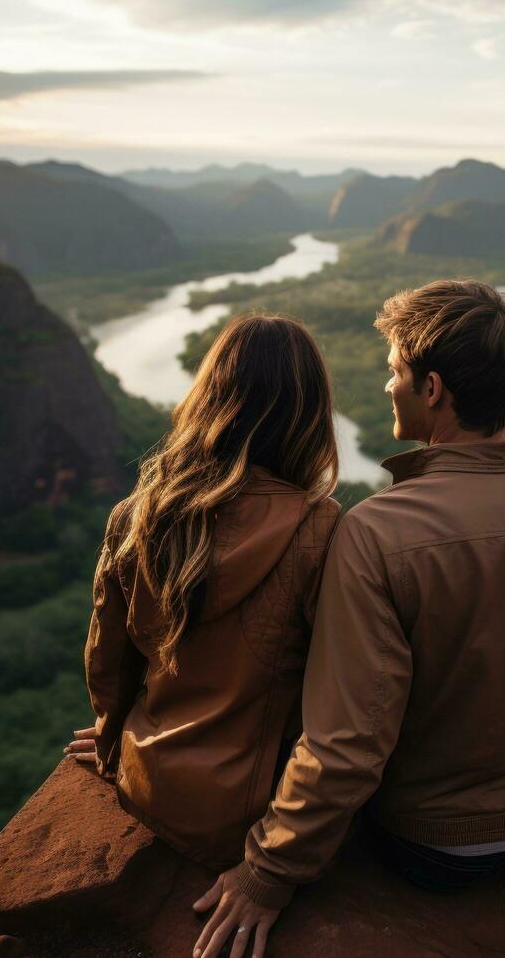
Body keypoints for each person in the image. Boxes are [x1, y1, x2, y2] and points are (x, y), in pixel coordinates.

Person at [192, 280, 505, 958]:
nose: (387, 385)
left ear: (433, 389)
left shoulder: (373, 533)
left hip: (430, 849)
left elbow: (348, 745)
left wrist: (265, 874)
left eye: (395, 370)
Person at [65, 314, 342, 872]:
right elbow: (340, 706)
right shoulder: (322, 528)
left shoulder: (138, 515)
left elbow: (107, 664)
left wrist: (111, 735)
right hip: (257, 818)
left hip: (147, 786)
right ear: (307, 414)